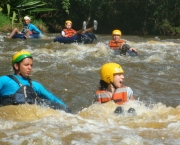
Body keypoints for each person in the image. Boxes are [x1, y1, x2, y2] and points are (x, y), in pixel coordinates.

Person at [0, 50, 71, 113]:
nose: (30, 68)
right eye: (26, 65)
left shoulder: (35, 85)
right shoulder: (4, 80)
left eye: (31, 65)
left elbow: (53, 98)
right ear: (16, 66)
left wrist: (68, 111)